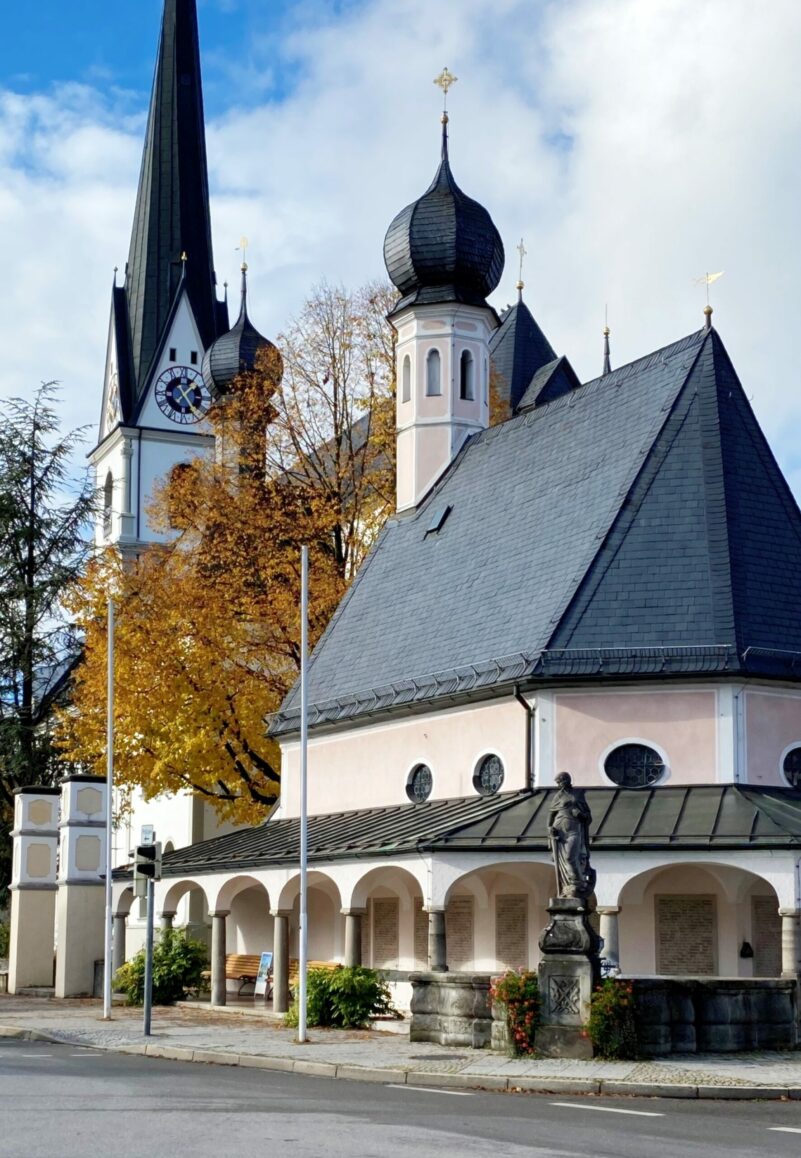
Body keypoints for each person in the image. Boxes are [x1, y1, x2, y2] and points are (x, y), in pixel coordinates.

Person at [547, 771, 595, 900]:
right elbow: (551, 816)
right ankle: (568, 885)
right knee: (562, 861)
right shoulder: (558, 796)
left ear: (567, 780)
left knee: (570, 857)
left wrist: (580, 814)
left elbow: (588, 816)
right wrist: (550, 828)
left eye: (560, 782)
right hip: (559, 832)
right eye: (557, 783)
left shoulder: (578, 794)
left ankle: (578, 883)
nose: (559, 785)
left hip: (574, 830)